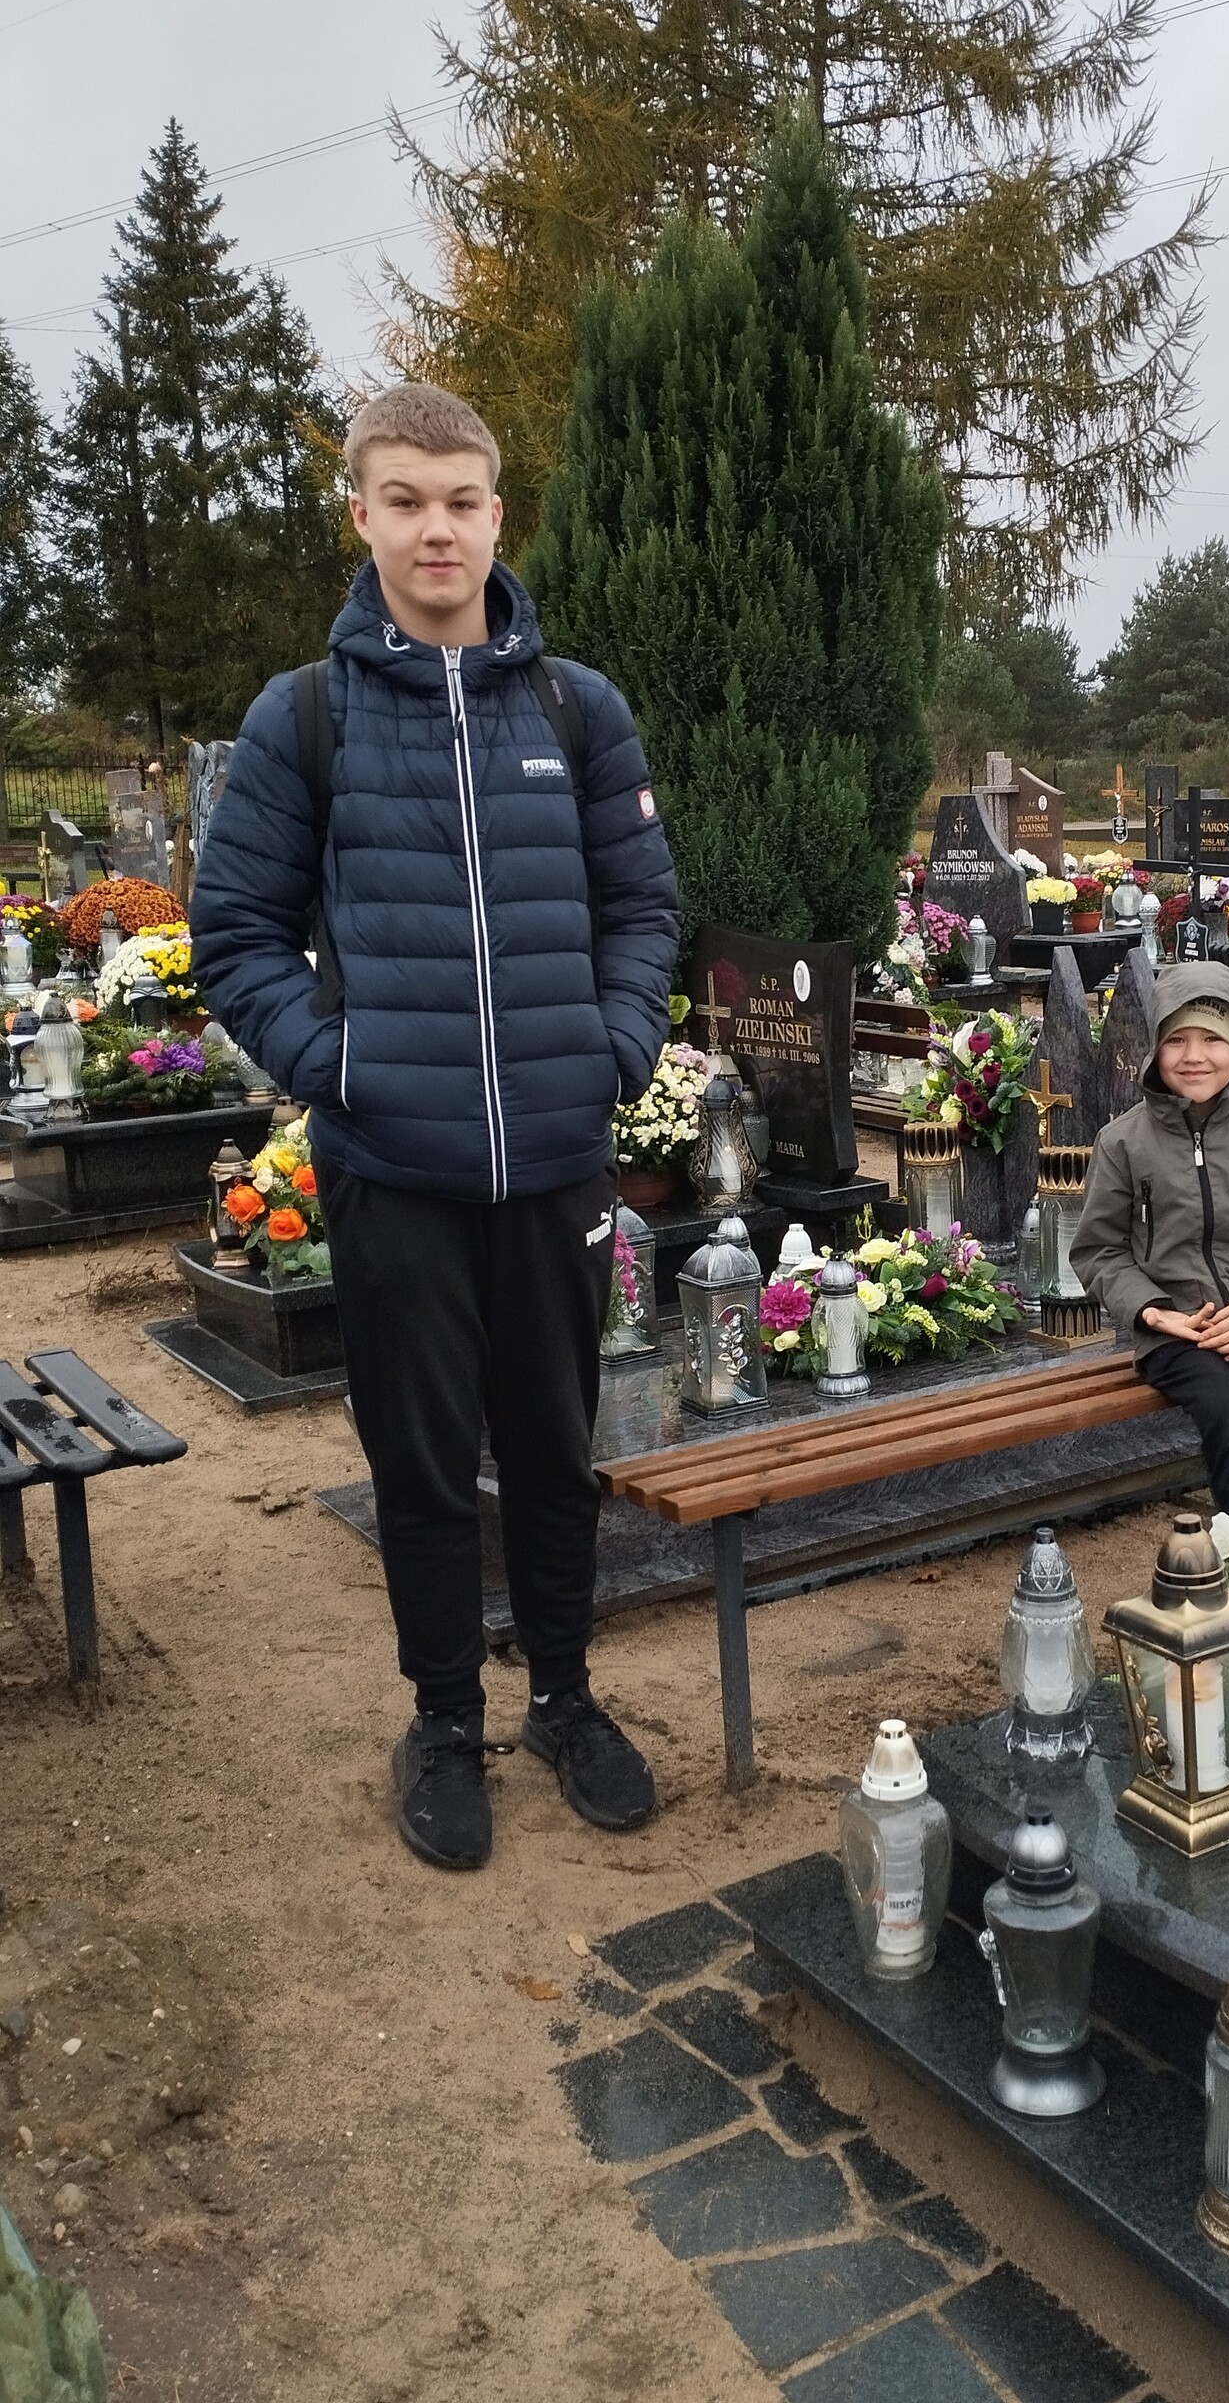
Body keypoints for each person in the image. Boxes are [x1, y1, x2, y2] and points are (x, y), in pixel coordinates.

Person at [193, 382, 680, 1873]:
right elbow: (236, 933)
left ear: (496, 514)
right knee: (419, 1466)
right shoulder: (306, 716)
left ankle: (566, 1700)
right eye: (404, 500)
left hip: (554, 1162)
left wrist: (612, 1050)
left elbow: (641, 908)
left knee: (554, 1449)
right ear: (362, 514)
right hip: (392, 1168)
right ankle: (445, 1720)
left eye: (461, 500)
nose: (436, 530)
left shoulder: (575, 708)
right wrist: (336, 1067)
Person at [1070, 963, 1229, 1515]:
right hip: (1178, 1335)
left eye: (1213, 1039)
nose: (1194, 1056)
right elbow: (1098, 1250)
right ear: (1154, 1049)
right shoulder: (1122, 1143)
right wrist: (1152, 1311)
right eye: (1176, 1040)